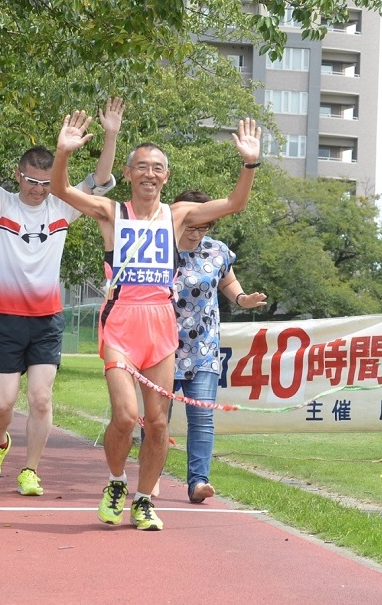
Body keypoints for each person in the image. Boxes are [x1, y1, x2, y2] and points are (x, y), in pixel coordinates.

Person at [51, 111, 262, 531]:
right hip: (120, 323)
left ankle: (144, 499)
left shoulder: (179, 214)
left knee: (159, 421)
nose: (150, 174)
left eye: (158, 168)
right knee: (126, 416)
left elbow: (235, 204)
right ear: (128, 173)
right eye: (142, 167)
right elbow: (60, 189)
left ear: (166, 177)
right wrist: (63, 153)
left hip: (161, 325)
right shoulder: (111, 212)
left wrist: (249, 163)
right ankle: (115, 482)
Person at [0, 85, 123, 497]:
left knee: (39, 398)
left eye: (44, 182)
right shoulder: (0, 204)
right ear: (19, 176)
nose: (38, 189)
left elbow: (102, 181)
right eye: (32, 181)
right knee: (0, 405)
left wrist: (110, 135)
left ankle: (30, 470)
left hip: (47, 319)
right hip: (4, 319)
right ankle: (0, 444)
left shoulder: (63, 206)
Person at [171, 190, 267, 504]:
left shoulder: (217, 251)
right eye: (192, 226)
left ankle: (198, 481)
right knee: (157, 418)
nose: (196, 233)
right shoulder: (159, 248)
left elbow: (226, 281)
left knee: (202, 417)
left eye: (204, 227)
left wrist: (242, 299)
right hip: (162, 346)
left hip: (203, 349)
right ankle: (149, 475)